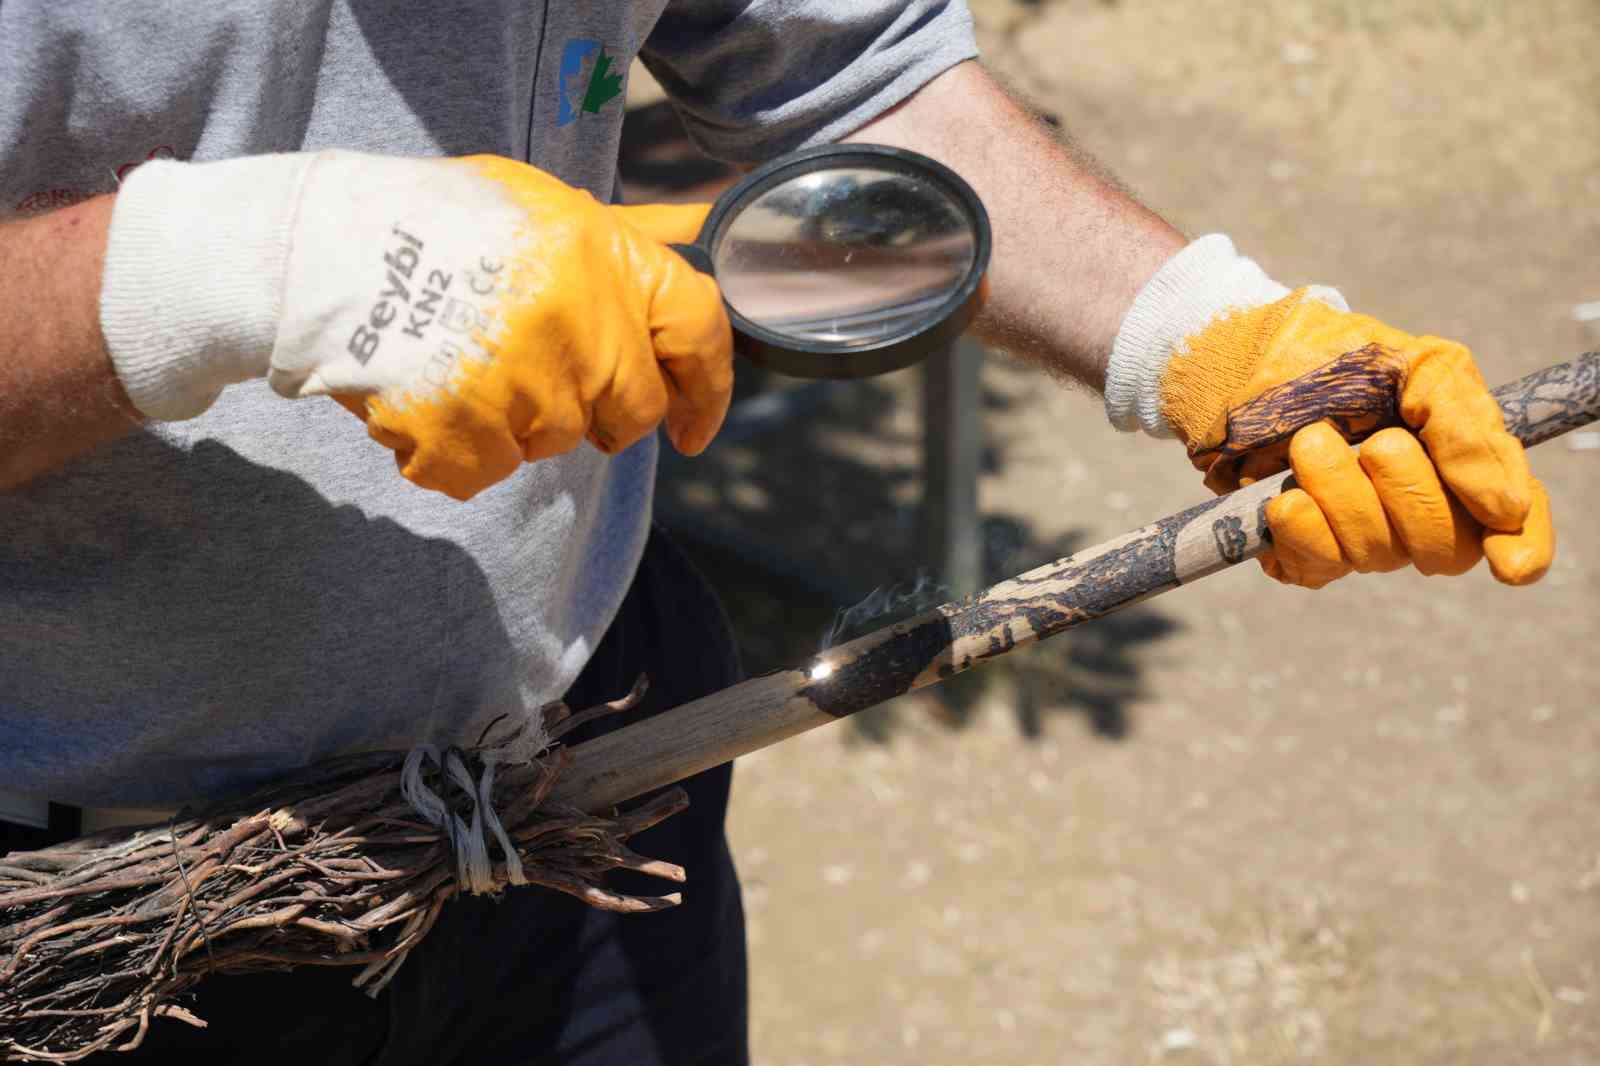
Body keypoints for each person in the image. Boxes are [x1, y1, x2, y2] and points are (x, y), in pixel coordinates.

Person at [0, 1, 1554, 1063]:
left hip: (590, 794)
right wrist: (222, 271)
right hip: (106, 924)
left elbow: (854, 61)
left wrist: (1206, 331)